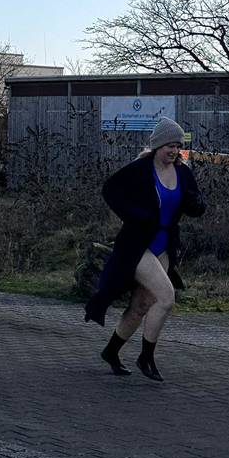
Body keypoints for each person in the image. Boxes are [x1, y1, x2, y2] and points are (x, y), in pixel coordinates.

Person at [85, 117, 206, 382]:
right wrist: (134, 215)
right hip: (137, 245)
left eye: (178, 146)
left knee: (142, 304)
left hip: (164, 245)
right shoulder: (140, 169)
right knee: (166, 297)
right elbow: (110, 190)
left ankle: (111, 351)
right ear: (157, 145)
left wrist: (196, 203)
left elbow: (195, 206)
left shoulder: (183, 172)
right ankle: (146, 357)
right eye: (170, 146)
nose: (174, 151)